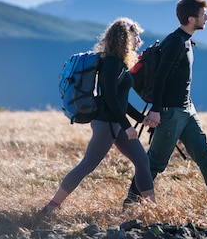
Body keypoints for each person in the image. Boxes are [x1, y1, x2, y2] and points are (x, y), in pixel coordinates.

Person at [125, 0, 207, 205]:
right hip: (170, 112)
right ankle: (131, 202)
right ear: (190, 19)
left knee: (205, 153)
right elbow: (160, 78)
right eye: (203, 15)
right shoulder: (175, 42)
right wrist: (157, 110)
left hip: (186, 109)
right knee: (156, 162)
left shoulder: (185, 40)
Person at [43, 17, 156, 213]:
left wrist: (140, 119)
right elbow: (110, 98)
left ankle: (152, 209)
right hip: (107, 123)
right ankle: (51, 206)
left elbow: (119, 100)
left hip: (114, 122)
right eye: (136, 35)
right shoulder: (112, 62)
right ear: (125, 38)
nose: (139, 40)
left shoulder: (117, 61)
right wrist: (127, 125)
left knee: (142, 161)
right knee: (87, 165)